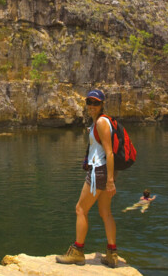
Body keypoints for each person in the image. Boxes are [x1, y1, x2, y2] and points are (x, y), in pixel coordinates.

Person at [56, 89, 120, 267]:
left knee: (80, 209)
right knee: (105, 212)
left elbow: (109, 152)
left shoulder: (101, 122)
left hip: (99, 172)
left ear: (102, 104)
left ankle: (77, 252)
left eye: (96, 103)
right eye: (89, 102)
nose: (92, 106)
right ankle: (112, 254)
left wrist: (110, 181)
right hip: (104, 172)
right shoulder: (100, 122)